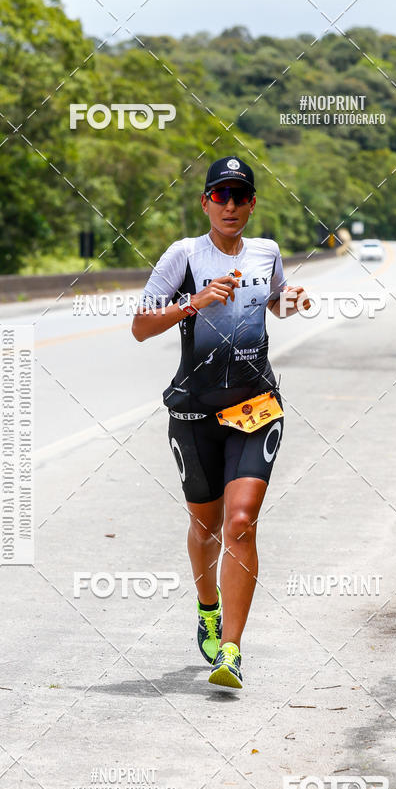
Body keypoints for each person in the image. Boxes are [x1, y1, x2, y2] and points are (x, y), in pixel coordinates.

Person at [132, 156, 309, 689]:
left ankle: (230, 649)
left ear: (253, 204)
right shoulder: (183, 256)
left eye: (240, 196)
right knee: (206, 524)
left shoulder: (267, 252)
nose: (230, 205)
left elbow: (274, 303)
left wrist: (291, 302)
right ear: (205, 202)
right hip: (194, 411)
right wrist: (192, 303)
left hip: (255, 406)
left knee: (240, 522)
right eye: (220, 195)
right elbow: (141, 327)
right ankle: (207, 609)